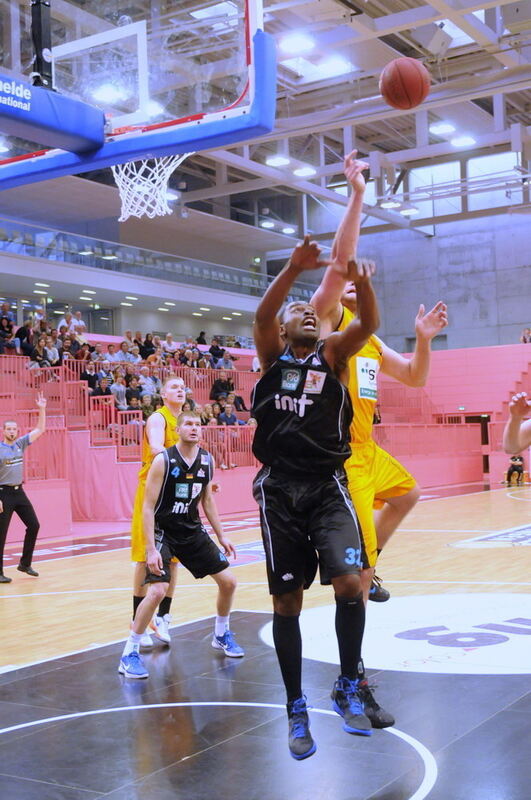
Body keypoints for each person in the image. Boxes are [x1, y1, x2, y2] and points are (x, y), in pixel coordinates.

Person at [251, 236, 379, 760]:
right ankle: (295, 706)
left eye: (312, 309)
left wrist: (364, 285)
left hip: (328, 486)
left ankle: (349, 683)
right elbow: (262, 315)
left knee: (352, 582)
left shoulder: (334, 355)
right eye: (296, 310)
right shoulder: (270, 355)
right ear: (283, 330)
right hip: (279, 489)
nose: (307, 311)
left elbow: (366, 325)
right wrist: (291, 270)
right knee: (288, 601)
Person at [311, 151, 448, 605]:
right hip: (341, 455)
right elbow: (338, 259)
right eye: (345, 278)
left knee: (407, 495)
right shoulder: (328, 322)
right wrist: (357, 195)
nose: (349, 279)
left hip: (369, 448)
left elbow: (414, 377)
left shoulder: (368, 338)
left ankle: (371, 562)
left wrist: (423, 339)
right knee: (357, 577)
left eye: (356, 279)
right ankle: (354, 663)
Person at [119, 410, 244, 679]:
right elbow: (148, 507)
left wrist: (222, 536)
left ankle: (221, 633)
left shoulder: (207, 460)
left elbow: (207, 501)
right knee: (157, 591)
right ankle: (129, 652)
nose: (194, 428)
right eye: (188, 423)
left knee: (229, 582)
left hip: (191, 531)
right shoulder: (163, 460)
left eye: (198, 424)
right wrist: (151, 548)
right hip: (163, 531)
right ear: (178, 429)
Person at [129, 377, 186, 649]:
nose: (180, 389)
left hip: (174, 494)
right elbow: (155, 446)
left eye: (183, 386)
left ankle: (163, 616)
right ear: (163, 394)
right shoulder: (158, 419)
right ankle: (137, 620)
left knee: (173, 559)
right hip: (152, 493)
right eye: (174, 386)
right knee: (144, 558)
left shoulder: (186, 421)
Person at [0, 393, 47, 582]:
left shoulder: (20, 443)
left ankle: (24, 564)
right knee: (1, 534)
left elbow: (40, 429)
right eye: (9, 429)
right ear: (3, 431)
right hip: (3, 493)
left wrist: (42, 409)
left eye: (14, 429)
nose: (12, 431)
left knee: (34, 525)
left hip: (19, 492)